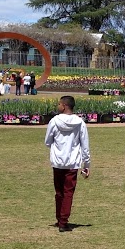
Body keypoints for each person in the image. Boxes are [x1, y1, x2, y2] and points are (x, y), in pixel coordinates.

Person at [45, 95, 91, 232]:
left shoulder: (54, 121)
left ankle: (60, 218)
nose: (58, 106)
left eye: (59, 104)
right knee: (68, 192)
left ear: (64, 106)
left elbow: (48, 141)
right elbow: (85, 145)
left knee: (59, 192)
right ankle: (63, 221)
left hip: (58, 161)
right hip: (72, 162)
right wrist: (87, 164)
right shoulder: (80, 122)